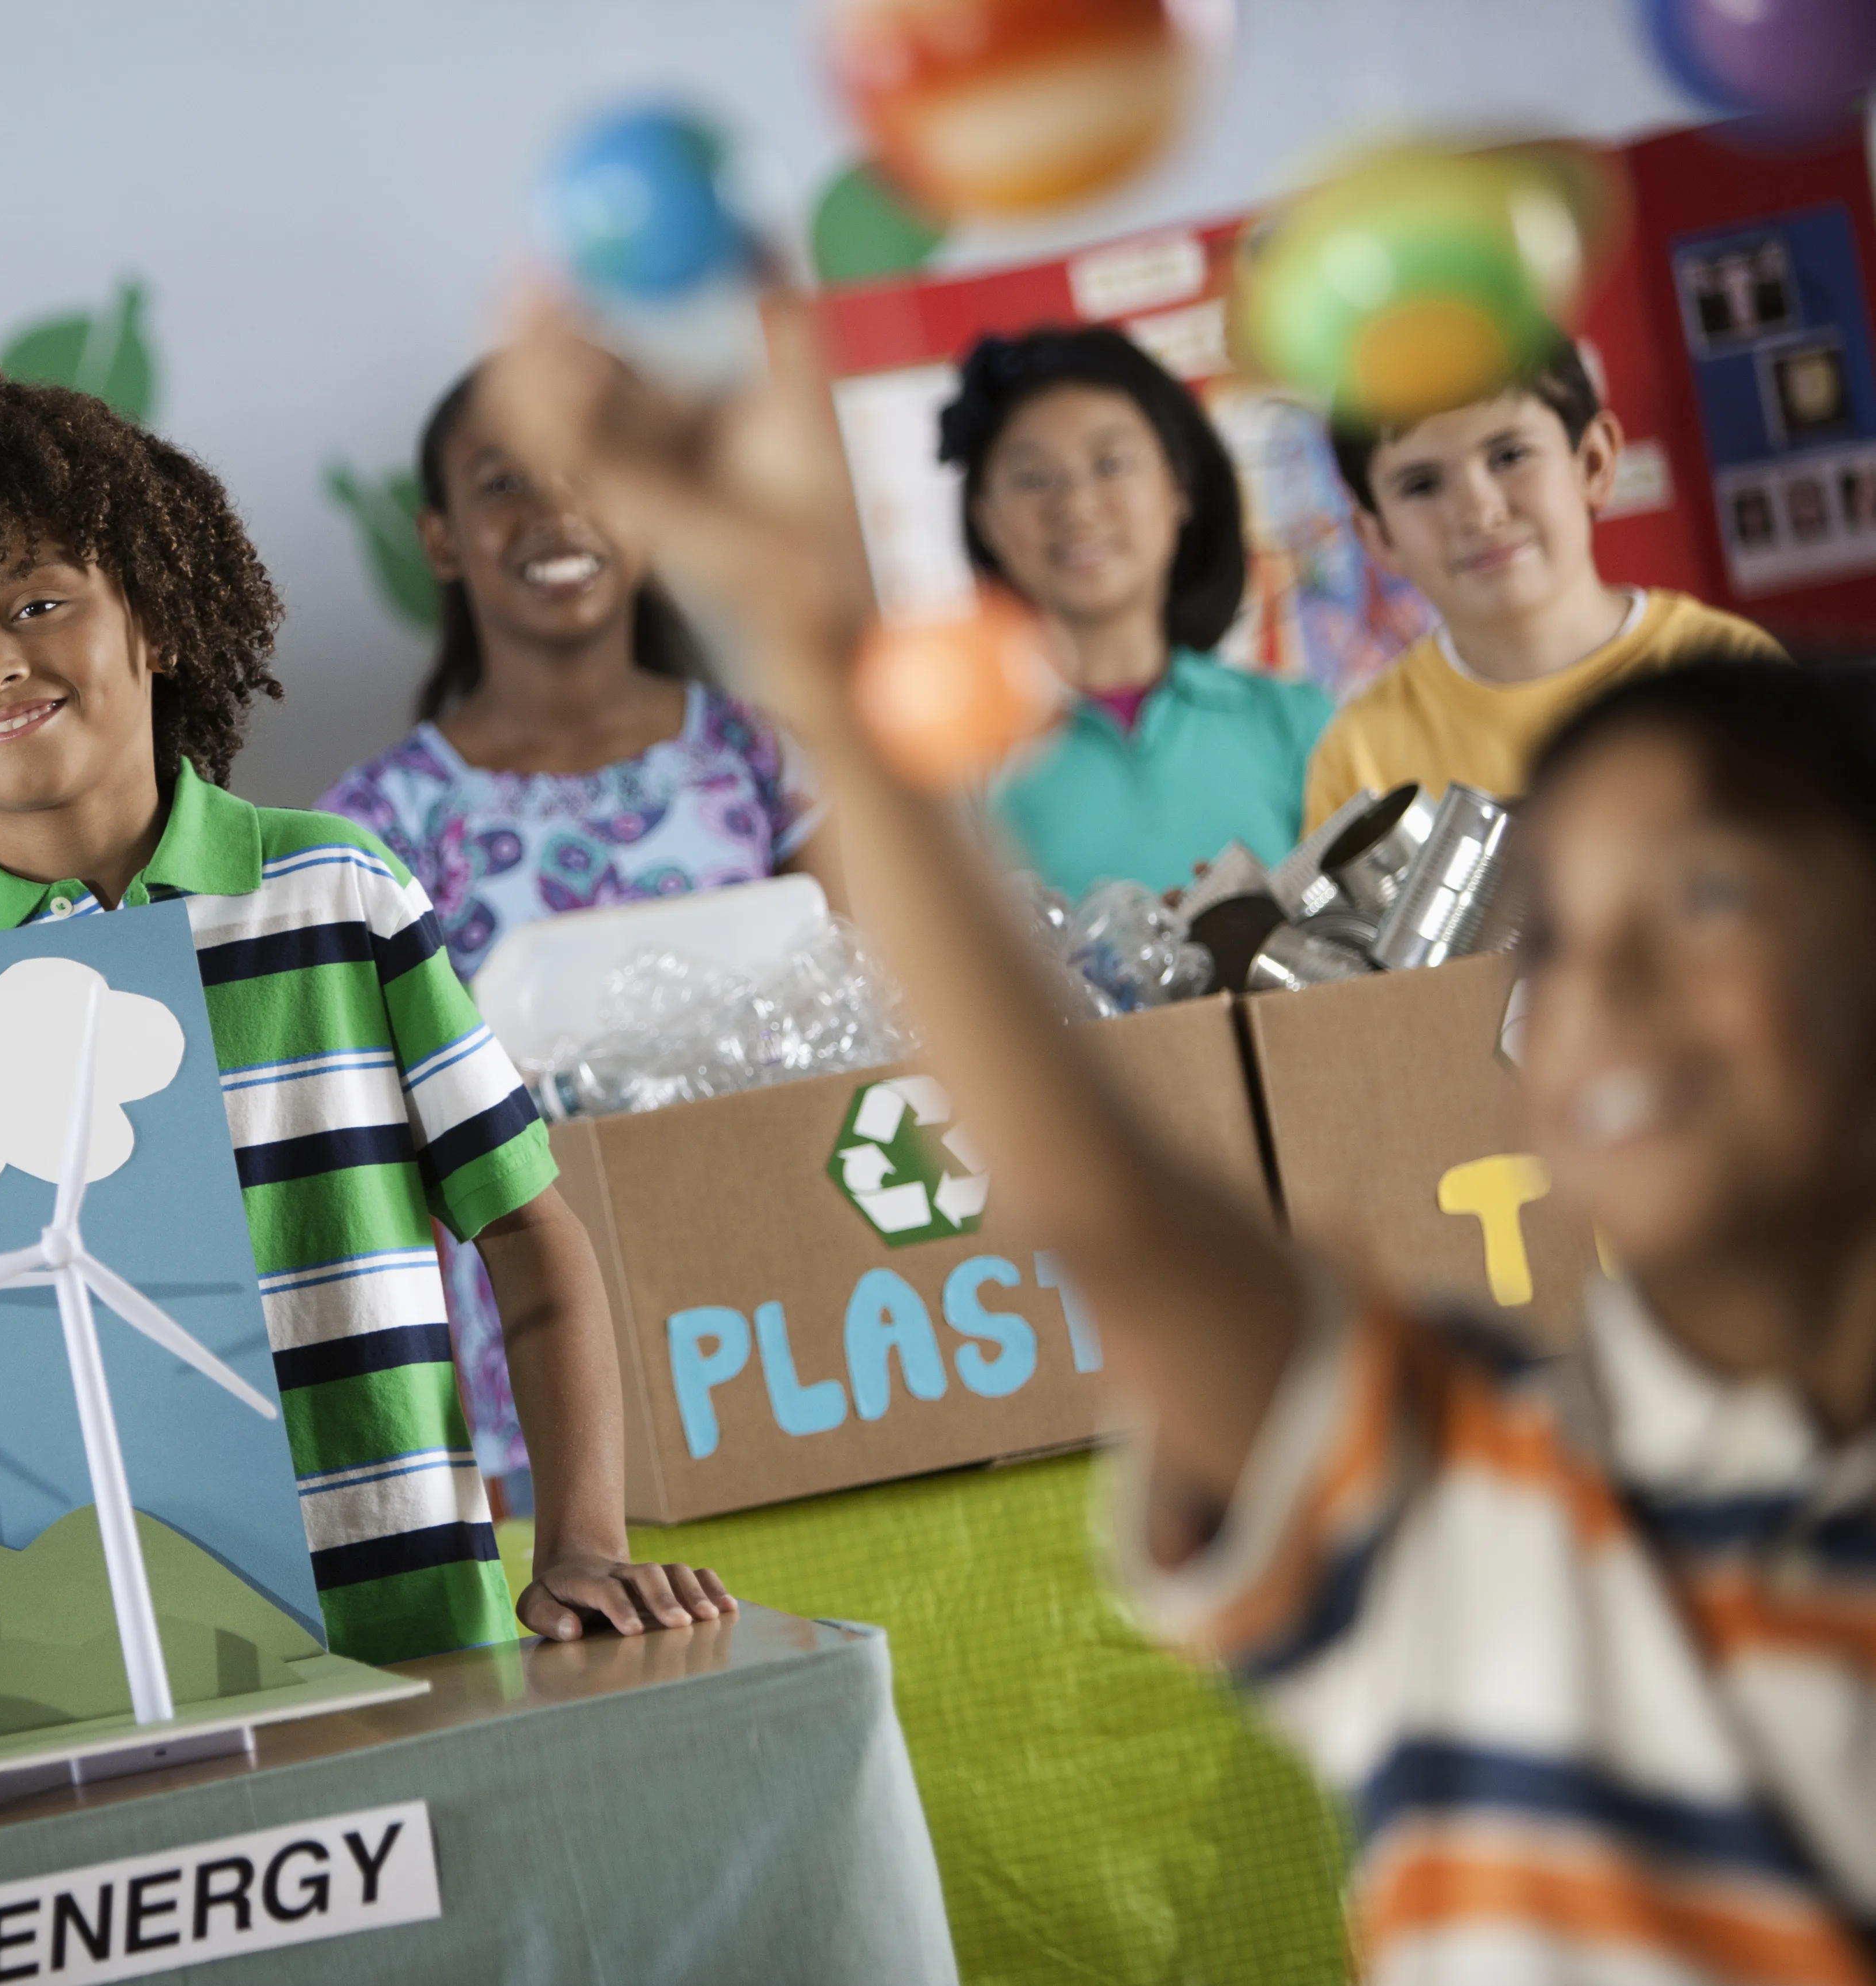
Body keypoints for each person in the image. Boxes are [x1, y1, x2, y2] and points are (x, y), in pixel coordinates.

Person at [484, 292, 1876, 1978]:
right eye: (1558, 936)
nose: (1612, 988)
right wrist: (816, 656)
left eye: (1709, 898)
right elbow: (1117, 1210)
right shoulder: (1492, 1472)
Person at [0, 364, 730, 1659]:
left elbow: (527, 1232)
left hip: (412, 1639)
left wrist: (578, 1540)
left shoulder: (335, 891)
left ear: (155, 619)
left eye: (39, 602)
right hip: (60, 1687)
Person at [317, 358, 836, 1510]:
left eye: (592, 473)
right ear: (442, 538)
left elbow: (875, 1013)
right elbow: (360, 1134)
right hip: (524, 1358)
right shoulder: (375, 824)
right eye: (504, 483)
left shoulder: (763, 756)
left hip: (794, 1302)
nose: (555, 513)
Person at [1304, 334, 1782, 830]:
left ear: (1594, 462)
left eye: (1509, 456)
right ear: (1379, 534)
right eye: (1422, 485)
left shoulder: (1732, 670)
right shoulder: (1358, 758)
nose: (1481, 512)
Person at [942, 327, 1332, 898]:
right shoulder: (957, 770)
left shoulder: (1294, 723)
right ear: (985, 518)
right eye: (1030, 478)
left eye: (1110, 463)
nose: (1075, 505)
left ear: (1178, 486)